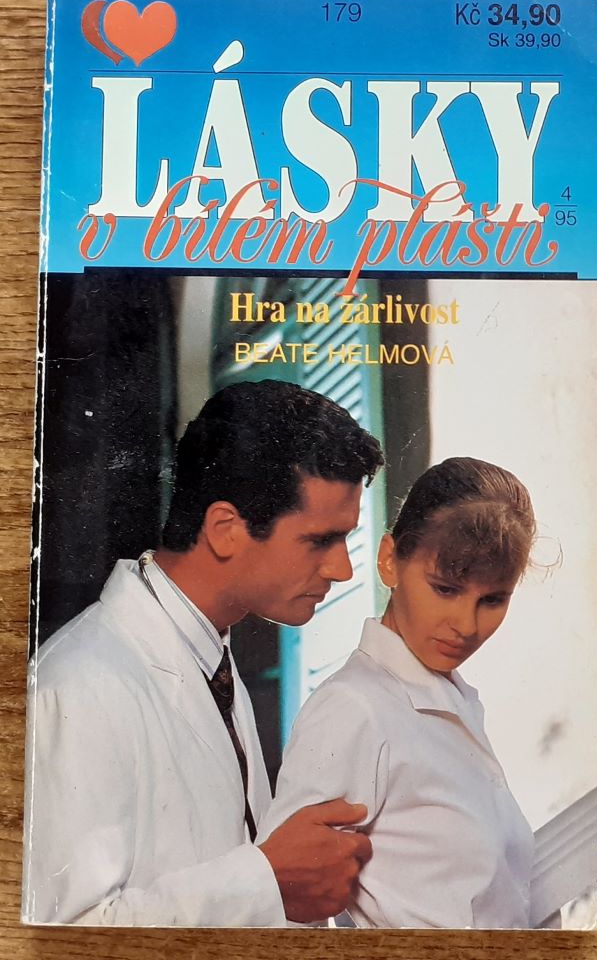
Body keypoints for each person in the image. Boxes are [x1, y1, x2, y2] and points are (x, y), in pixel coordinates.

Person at [23, 380, 384, 927]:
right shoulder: (77, 685)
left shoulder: (211, 658)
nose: (343, 569)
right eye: (319, 540)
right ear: (225, 529)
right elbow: (61, 936)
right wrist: (269, 882)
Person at [259, 457, 537, 929]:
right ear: (389, 560)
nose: (465, 625)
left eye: (492, 599)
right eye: (445, 588)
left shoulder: (455, 702)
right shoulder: (354, 709)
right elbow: (285, 906)